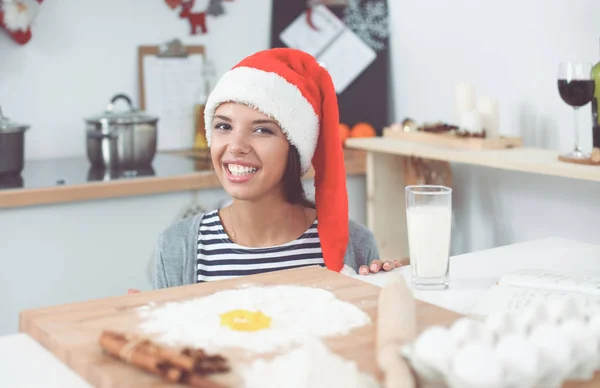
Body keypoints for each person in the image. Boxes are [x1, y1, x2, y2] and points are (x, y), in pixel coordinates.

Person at [152, 48, 401, 289]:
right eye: (223, 127)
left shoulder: (354, 246)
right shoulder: (178, 246)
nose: (236, 146)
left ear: (295, 148)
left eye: (262, 130)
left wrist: (384, 295)